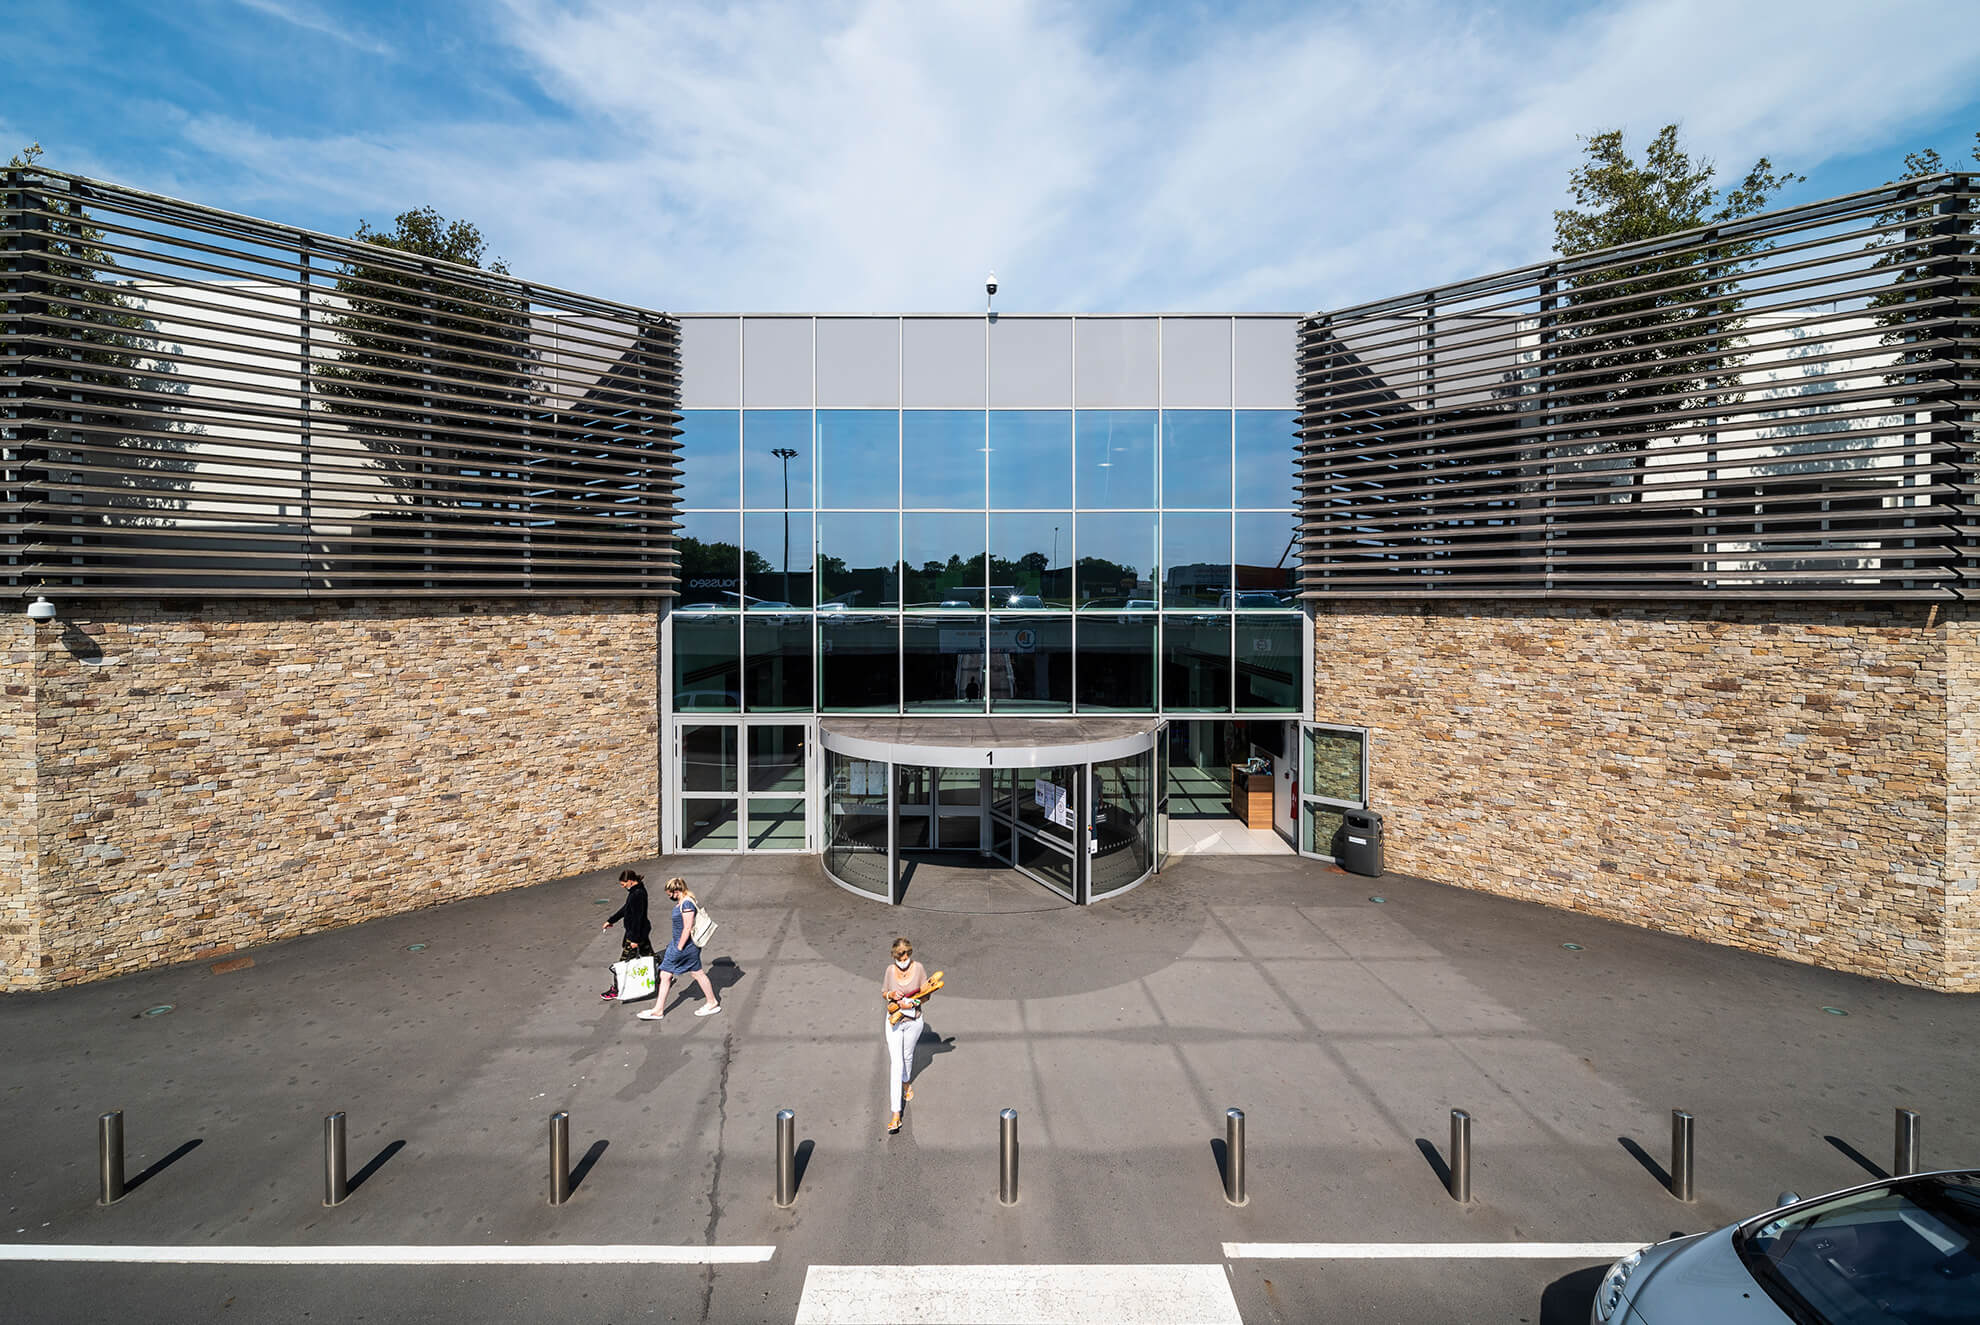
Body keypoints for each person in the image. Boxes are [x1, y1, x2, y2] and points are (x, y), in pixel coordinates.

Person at [636, 877, 721, 1021]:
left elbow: (687, 928)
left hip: (684, 947)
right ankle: (711, 1002)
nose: (669, 896)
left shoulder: (687, 904)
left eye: (669, 893)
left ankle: (659, 1010)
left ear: (676, 891)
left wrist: (679, 947)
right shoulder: (684, 901)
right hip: (682, 946)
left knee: (674, 974)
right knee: (687, 974)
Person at [881, 936, 928, 1134]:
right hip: (893, 1021)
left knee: (907, 1057)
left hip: (913, 1022)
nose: (903, 959)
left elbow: (926, 994)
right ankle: (896, 1114)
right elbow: (884, 991)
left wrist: (913, 1003)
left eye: (906, 954)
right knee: (896, 1065)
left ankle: (906, 1083)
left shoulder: (918, 969)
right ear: (894, 956)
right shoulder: (890, 971)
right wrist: (891, 995)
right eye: (899, 956)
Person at [600, 869, 652, 1001]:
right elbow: (626, 909)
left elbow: (637, 918)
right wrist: (611, 920)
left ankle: (617, 989)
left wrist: (634, 939)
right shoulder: (635, 892)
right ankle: (664, 977)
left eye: (623, 884)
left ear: (630, 881)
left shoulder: (637, 894)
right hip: (642, 932)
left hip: (635, 935)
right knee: (649, 956)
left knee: (623, 964)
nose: (622, 887)